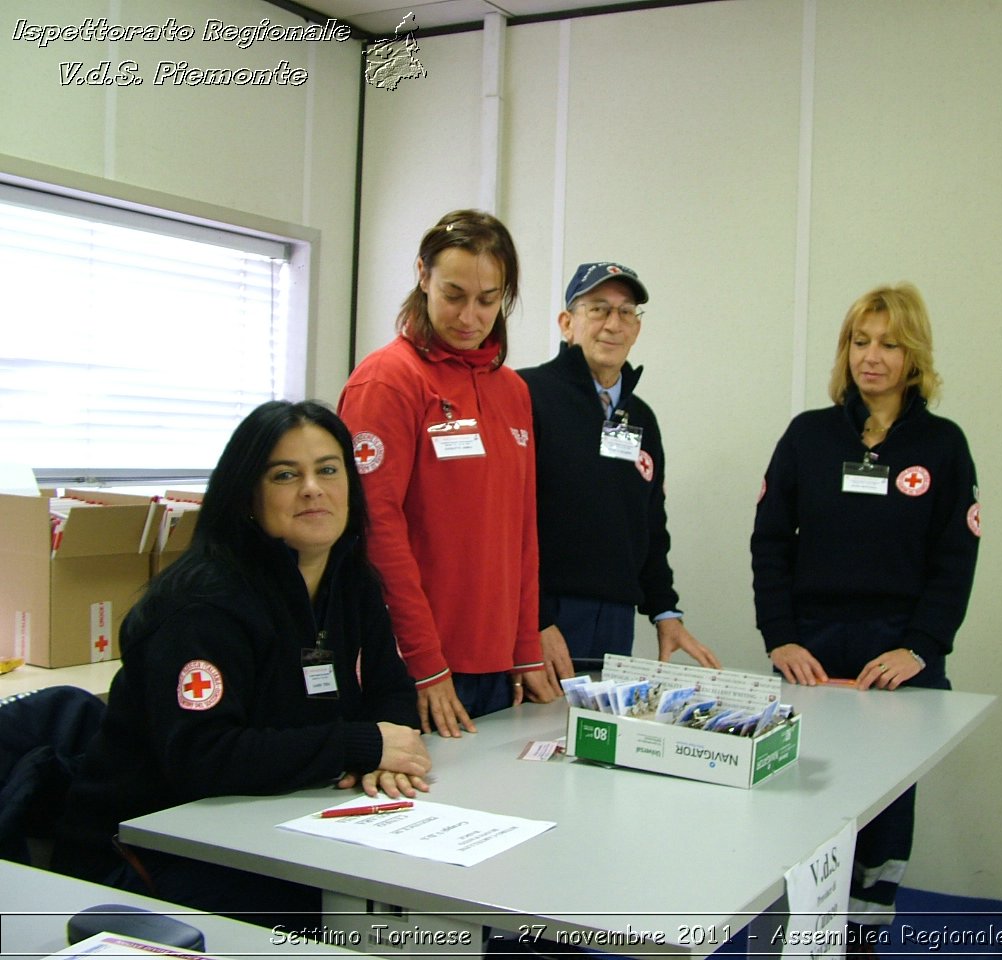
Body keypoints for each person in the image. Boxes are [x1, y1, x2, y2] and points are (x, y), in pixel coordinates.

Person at [53, 400, 432, 926]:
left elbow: (391, 691)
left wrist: (384, 750)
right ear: (248, 495)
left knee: (415, 907)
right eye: (285, 474)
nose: (312, 488)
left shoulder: (351, 579)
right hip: (152, 855)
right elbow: (203, 756)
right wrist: (358, 745)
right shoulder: (201, 606)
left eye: (328, 469)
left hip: (286, 821)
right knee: (374, 926)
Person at [750, 283, 980, 953]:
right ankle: (790, 939)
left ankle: (860, 940)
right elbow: (770, 543)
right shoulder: (807, 436)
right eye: (860, 341)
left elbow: (955, 557)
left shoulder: (942, 445)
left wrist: (921, 647)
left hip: (896, 657)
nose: (871, 357)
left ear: (914, 355)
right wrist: (781, 637)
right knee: (797, 802)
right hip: (811, 653)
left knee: (882, 816)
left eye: (888, 344)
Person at [338, 210, 558, 738]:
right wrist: (424, 661)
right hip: (421, 667)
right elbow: (375, 529)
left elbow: (522, 531)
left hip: (498, 663)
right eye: (453, 294)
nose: (470, 316)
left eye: (488, 299)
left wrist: (525, 648)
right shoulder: (388, 381)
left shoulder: (513, 391)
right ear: (423, 275)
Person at [518, 262, 720, 683]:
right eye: (598, 309)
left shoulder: (640, 418)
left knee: (594, 742)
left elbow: (649, 524)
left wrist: (666, 611)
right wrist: (533, 619)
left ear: (637, 328)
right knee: (526, 739)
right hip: (543, 613)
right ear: (567, 323)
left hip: (614, 617)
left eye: (626, 312)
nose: (614, 324)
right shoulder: (525, 395)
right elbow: (503, 521)